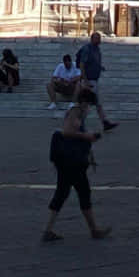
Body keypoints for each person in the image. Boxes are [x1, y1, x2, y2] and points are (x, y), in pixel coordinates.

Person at [42, 87, 112, 242]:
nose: (90, 109)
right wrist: (86, 136)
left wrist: (90, 152)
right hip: (72, 162)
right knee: (83, 192)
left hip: (69, 161)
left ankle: (48, 229)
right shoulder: (76, 111)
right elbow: (67, 132)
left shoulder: (77, 112)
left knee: (62, 192)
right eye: (90, 105)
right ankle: (94, 230)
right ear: (85, 102)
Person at [75, 31, 118, 130]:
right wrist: (85, 80)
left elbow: (94, 62)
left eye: (99, 38)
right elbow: (82, 64)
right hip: (89, 81)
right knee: (87, 103)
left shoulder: (97, 49)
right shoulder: (87, 49)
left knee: (95, 103)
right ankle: (80, 124)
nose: (99, 40)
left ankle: (104, 122)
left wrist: (99, 67)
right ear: (92, 39)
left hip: (94, 80)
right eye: (97, 38)